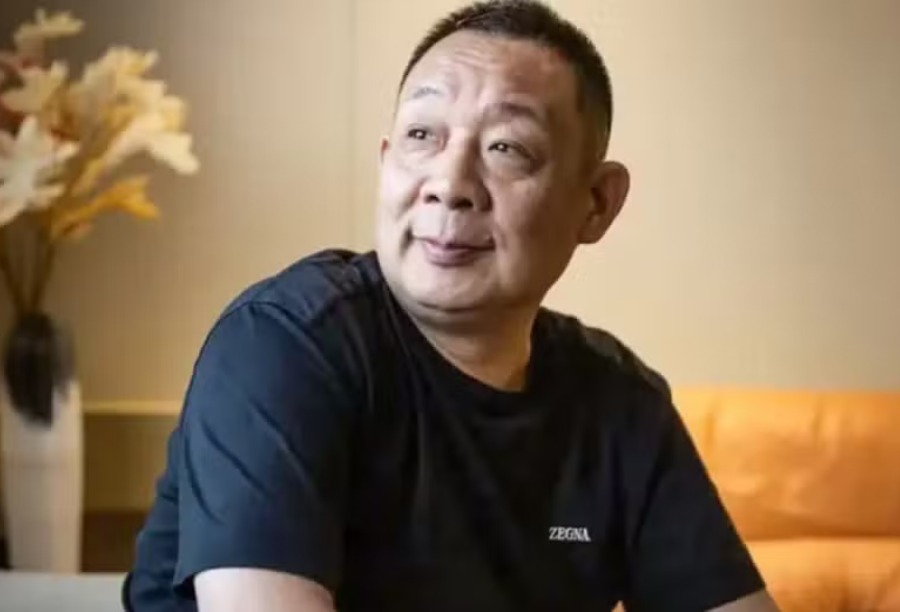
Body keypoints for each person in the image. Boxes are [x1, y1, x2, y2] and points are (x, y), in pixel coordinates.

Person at [125, 1, 778, 610]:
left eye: (507, 148)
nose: (449, 183)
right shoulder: (286, 346)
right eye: (422, 135)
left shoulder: (619, 405)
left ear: (597, 203)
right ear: (386, 164)